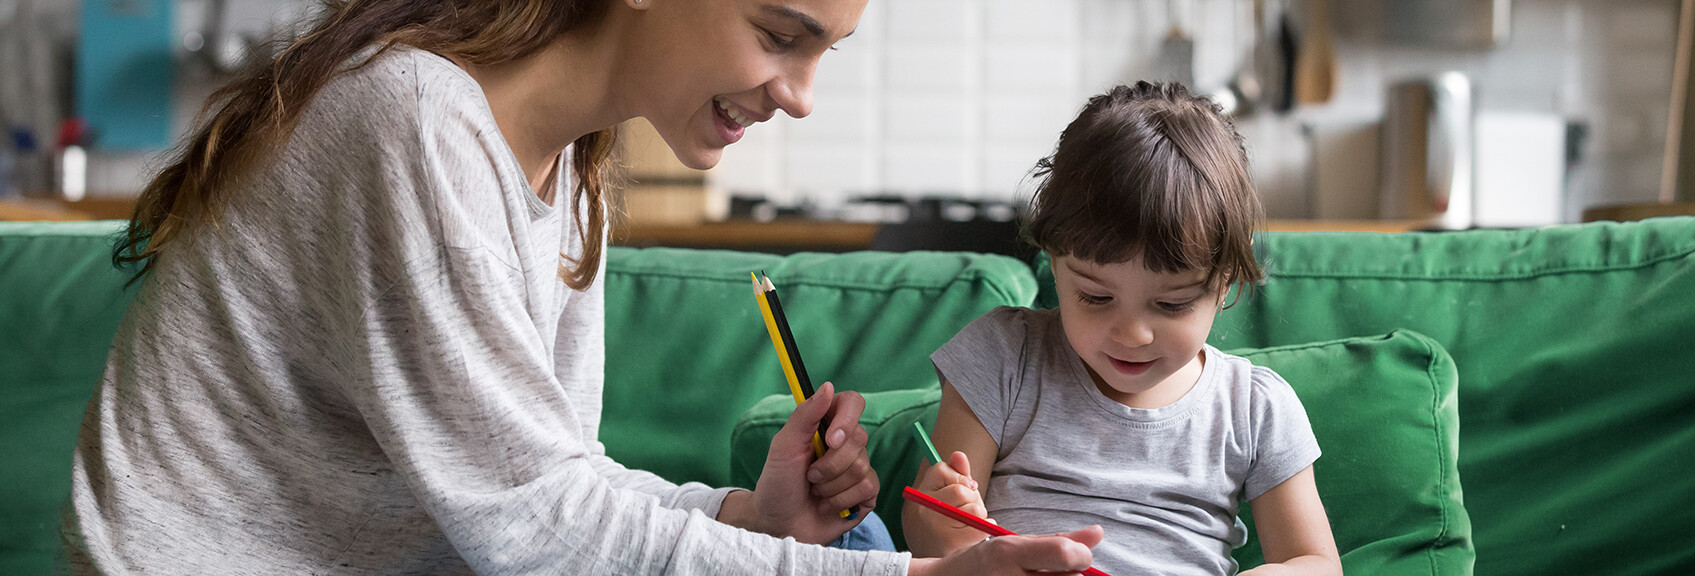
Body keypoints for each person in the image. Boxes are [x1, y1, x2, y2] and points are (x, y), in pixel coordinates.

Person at [62, 0, 1105, 574]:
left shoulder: (570, 171)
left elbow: (552, 484)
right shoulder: (415, 124)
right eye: (781, 35)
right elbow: (536, 531)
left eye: (825, 52)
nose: (799, 95)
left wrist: (748, 514)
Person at [902, 81, 1343, 576]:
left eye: (1172, 305)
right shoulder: (1005, 355)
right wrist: (947, 527)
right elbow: (932, 536)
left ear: (1224, 284)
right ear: (1055, 262)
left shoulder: (1255, 406)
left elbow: (1316, 563)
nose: (1132, 334)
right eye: (1096, 297)